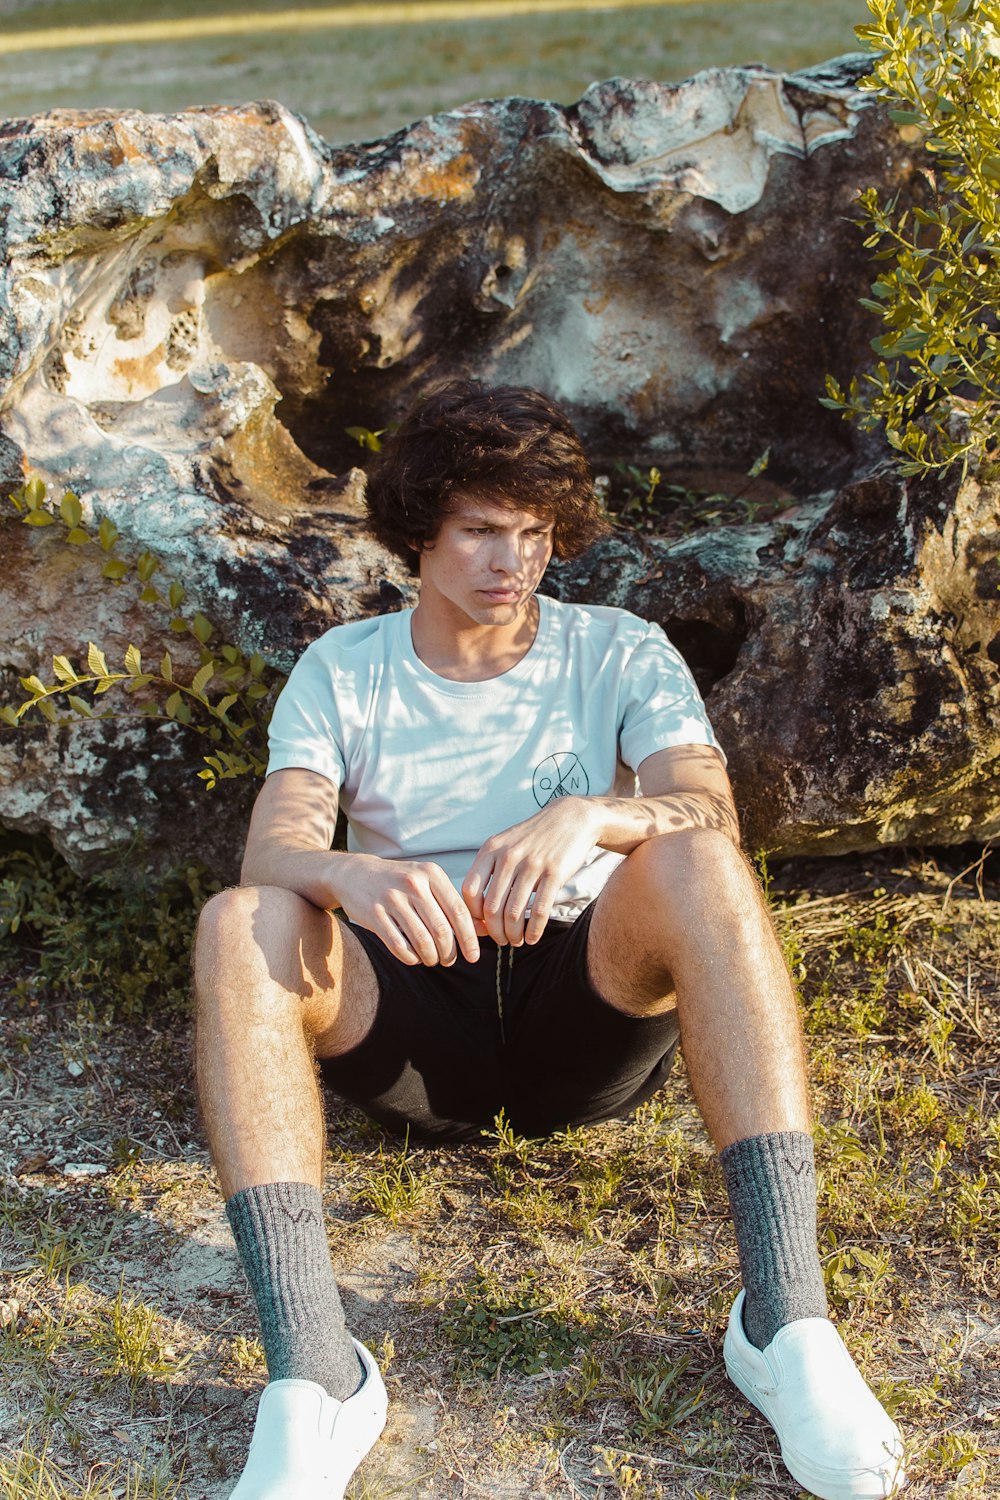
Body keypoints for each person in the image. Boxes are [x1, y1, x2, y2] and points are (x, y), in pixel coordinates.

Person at [193, 380, 906, 1500]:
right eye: (480, 529)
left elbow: (708, 811)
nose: (509, 561)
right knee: (242, 921)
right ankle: (316, 1377)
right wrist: (355, 874)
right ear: (417, 532)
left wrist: (596, 815)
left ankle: (784, 1321)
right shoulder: (346, 670)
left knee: (696, 859)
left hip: (585, 1005)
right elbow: (271, 853)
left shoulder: (617, 650)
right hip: (413, 1021)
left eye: (533, 535)